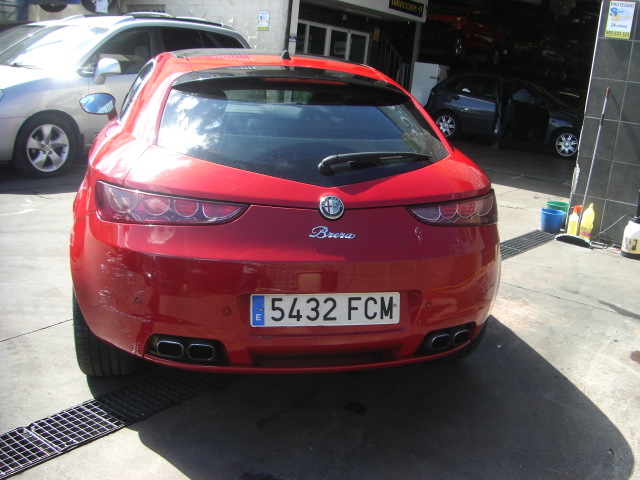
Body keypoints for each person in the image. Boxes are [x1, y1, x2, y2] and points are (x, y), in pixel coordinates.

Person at [492, 84, 514, 149]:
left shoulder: (509, 95)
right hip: (506, 109)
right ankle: (497, 142)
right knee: (504, 125)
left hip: (506, 109)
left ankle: (497, 142)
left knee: (504, 125)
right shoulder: (509, 95)